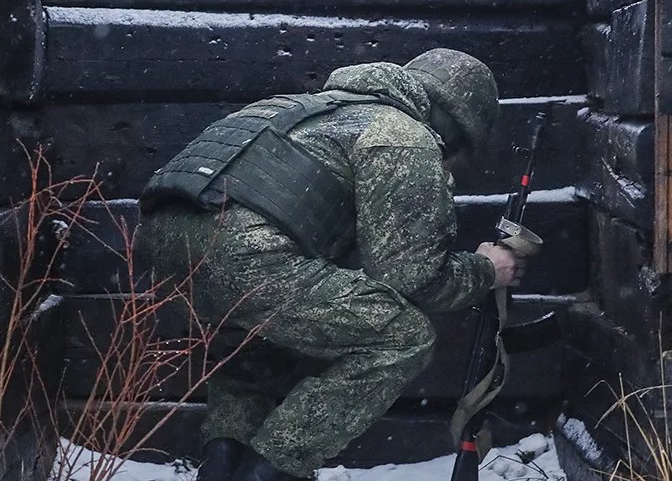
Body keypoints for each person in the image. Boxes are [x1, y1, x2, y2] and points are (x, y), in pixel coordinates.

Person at [133, 48, 525, 481]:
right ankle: (274, 471)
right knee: (400, 337)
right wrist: (487, 269)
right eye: (461, 152)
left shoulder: (307, 110)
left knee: (263, 346)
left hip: (164, 245)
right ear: (454, 125)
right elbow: (412, 277)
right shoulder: (401, 133)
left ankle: (223, 465)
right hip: (245, 251)